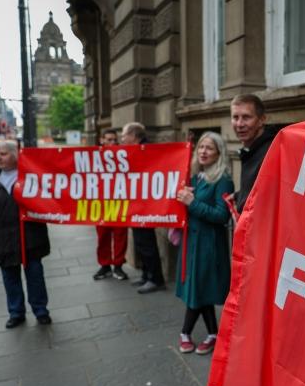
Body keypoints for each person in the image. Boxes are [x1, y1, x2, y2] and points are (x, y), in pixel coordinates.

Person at [0, 140, 52, 328]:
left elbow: (47, 197)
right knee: (10, 276)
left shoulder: (30, 174)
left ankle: (40, 310)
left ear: (15, 154)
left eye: (3, 154)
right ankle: (16, 312)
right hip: (3, 237)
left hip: (30, 235)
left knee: (35, 274)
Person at [174, 132, 234, 354]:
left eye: (209, 148)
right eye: (200, 147)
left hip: (209, 245)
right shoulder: (195, 177)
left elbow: (221, 215)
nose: (203, 152)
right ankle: (212, 333)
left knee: (198, 288)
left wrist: (192, 203)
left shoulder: (223, 179)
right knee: (200, 289)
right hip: (192, 243)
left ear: (219, 153)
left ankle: (185, 332)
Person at [121, 122, 166, 294]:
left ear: (133, 135)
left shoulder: (146, 150)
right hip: (138, 205)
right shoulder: (136, 150)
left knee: (146, 243)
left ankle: (156, 279)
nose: (122, 138)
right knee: (141, 242)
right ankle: (147, 275)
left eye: (124, 135)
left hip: (145, 207)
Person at [230, 94, 279, 213]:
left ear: (261, 120)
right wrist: (238, 196)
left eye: (246, 117)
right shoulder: (251, 150)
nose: (239, 124)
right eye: (235, 117)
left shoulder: (271, 153)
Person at [93, 128, 129, 281]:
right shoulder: (93, 157)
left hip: (119, 203)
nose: (113, 143)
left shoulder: (124, 156)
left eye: (115, 140)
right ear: (101, 140)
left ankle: (118, 266)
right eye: (109, 140)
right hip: (100, 204)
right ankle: (105, 265)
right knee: (103, 237)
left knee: (121, 237)